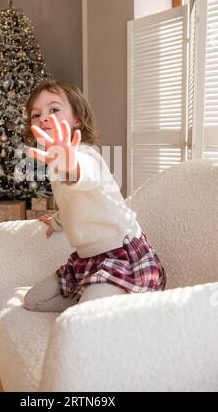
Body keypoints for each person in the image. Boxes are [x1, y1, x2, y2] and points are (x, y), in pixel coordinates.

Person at [23, 80, 166, 312]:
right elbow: (74, 202)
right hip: (86, 260)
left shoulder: (85, 156)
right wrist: (56, 221)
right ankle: (93, 296)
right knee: (32, 300)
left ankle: (118, 298)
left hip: (121, 254)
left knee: (85, 320)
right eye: (35, 114)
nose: (43, 118)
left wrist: (70, 167)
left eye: (54, 110)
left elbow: (83, 176)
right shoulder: (53, 166)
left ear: (77, 120)